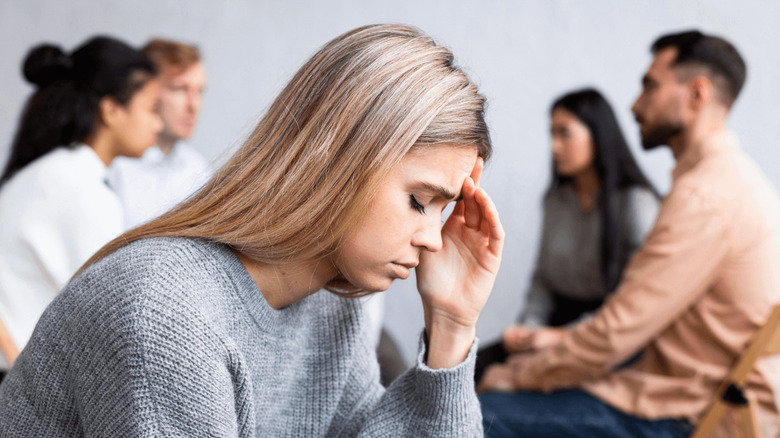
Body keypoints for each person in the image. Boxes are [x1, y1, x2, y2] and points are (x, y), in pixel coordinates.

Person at [0, 24, 504, 437]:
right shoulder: (167, 314)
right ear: (340, 160)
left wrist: (451, 325)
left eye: (442, 211)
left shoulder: (331, 306)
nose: (432, 239)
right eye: (419, 201)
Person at [479, 30, 780, 437]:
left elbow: (617, 331)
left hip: (692, 413)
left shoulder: (706, 197)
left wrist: (523, 376)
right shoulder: (730, 182)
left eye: (650, 86)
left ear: (697, 94)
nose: (636, 104)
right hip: (681, 393)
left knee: (478, 414)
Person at [474, 89, 659, 382]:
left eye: (564, 133)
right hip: (552, 325)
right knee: (471, 370)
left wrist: (562, 336)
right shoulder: (556, 200)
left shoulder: (636, 204)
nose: (554, 146)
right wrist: (530, 328)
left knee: (501, 383)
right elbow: (543, 280)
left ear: (598, 134)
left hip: (605, 335)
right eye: (552, 134)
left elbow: (638, 300)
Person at [0, 36, 161, 359]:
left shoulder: (57, 170)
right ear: (111, 111)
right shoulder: (78, 187)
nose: (159, 124)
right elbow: (115, 311)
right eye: (151, 109)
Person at [108, 38, 210, 229]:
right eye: (179, 89)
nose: (193, 105)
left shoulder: (197, 169)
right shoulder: (114, 165)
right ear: (146, 90)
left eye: (199, 92)